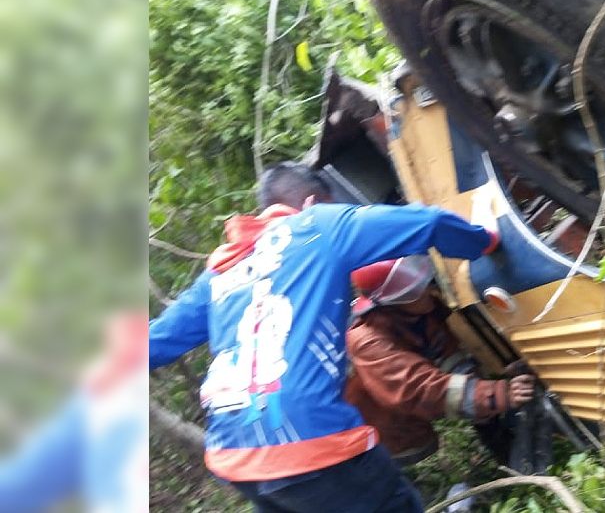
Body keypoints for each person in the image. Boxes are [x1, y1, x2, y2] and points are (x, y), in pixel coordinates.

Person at [148, 162, 500, 513]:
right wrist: (485, 240)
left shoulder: (222, 270)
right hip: (310, 440)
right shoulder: (316, 225)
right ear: (313, 202)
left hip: (234, 455)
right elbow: (429, 222)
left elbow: (154, 343)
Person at [343, 256, 535, 466]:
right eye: (414, 291)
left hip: (407, 419)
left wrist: (482, 395)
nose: (427, 292)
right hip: (382, 434)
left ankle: (513, 462)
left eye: (423, 283)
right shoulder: (367, 341)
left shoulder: (420, 312)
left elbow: (447, 353)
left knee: (488, 423)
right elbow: (418, 389)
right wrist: (498, 394)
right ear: (392, 301)